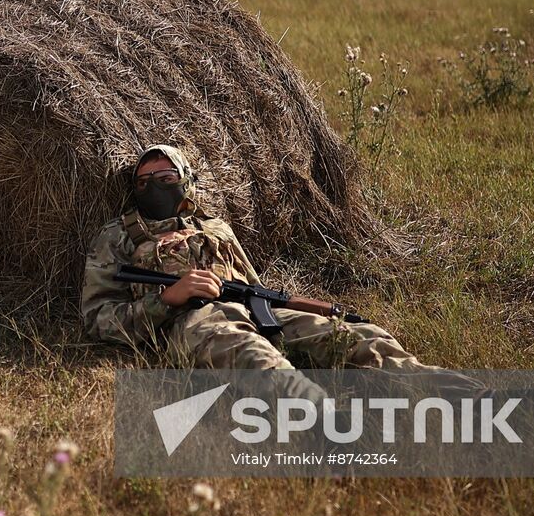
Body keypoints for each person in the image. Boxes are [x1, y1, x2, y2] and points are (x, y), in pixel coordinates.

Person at [81, 143, 478, 398]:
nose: (154, 186)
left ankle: (459, 393)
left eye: (166, 177)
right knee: (255, 359)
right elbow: (97, 319)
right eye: (144, 181)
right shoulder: (118, 237)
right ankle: (323, 423)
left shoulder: (215, 226)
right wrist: (166, 300)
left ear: (185, 181)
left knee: (354, 337)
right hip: (193, 321)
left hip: (253, 306)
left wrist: (288, 309)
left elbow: (254, 285)